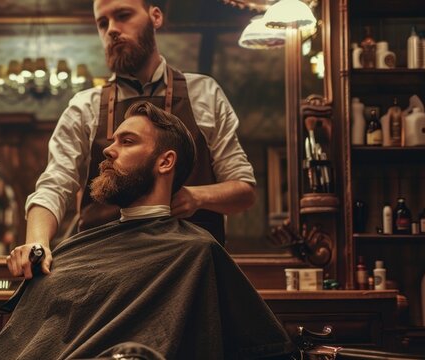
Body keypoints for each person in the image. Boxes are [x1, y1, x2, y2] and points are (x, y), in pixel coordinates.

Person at [0, 101, 294, 359]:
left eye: (127, 141)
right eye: (113, 140)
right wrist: (36, 243)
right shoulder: (70, 250)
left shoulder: (196, 252)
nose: (108, 150)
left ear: (165, 162)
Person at [14, 0, 256, 278]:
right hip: (104, 272)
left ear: (155, 16)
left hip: (189, 271)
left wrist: (196, 197)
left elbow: (244, 190)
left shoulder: (205, 93)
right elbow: (55, 184)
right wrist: (36, 241)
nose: (112, 30)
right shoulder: (84, 106)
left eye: (123, 15)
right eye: (102, 23)